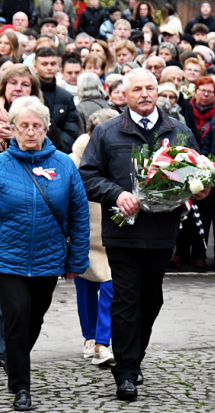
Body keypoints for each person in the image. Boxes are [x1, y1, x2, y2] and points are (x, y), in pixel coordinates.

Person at [79, 68, 209, 401]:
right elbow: (88, 176)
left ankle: (134, 355)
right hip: (122, 232)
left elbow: (197, 173)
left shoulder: (178, 131)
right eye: (137, 89)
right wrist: (116, 194)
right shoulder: (107, 132)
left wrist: (200, 188)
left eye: (150, 88)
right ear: (125, 95)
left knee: (151, 299)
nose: (145, 94)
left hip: (162, 230)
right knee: (126, 298)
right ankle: (125, 371)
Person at [0, 96, 90, 411]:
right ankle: (21, 387)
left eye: (37, 126)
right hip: (8, 258)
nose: (31, 131)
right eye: (23, 125)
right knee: (17, 317)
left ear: (46, 128)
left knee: (34, 318)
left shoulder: (64, 165)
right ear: (13, 129)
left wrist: (77, 259)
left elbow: (79, 215)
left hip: (49, 259)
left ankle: (14, 357)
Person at [0, 64, 65, 371]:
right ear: (3, 88)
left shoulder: (43, 126)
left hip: (27, 216)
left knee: (15, 292)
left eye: (25, 84)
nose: (18, 88)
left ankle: (7, 348)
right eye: (13, 83)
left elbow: (57, 167)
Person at [70, 107, 120, 365]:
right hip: (83, 235)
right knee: (86, 289)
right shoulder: (73, 160)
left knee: (111, 286)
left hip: (112, 234)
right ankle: (89, 337)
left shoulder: (119, 157)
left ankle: (103, 341)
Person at [34, 47, 78, 153]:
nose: (49, 68)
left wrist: (59, 148)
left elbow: (71, 128)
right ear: (35, 66)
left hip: (59, 152)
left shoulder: (66, 96)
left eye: (53, 64)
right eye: (44, 64)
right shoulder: (29, 93)